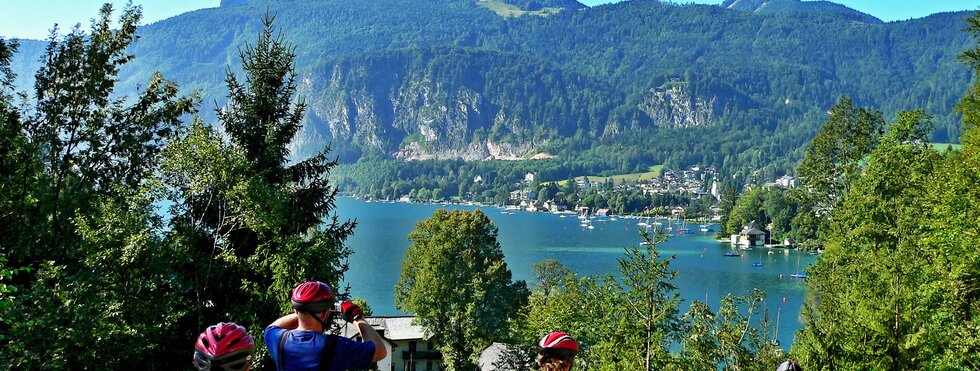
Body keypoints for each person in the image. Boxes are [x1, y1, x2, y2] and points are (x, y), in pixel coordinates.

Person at [265, 281, 387, 370]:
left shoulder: (278, 340)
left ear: (295, 310)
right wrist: (357, 317)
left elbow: (273, 326)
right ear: (325, 313)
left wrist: (304, 311)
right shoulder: (335, 347)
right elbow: (380, 352)